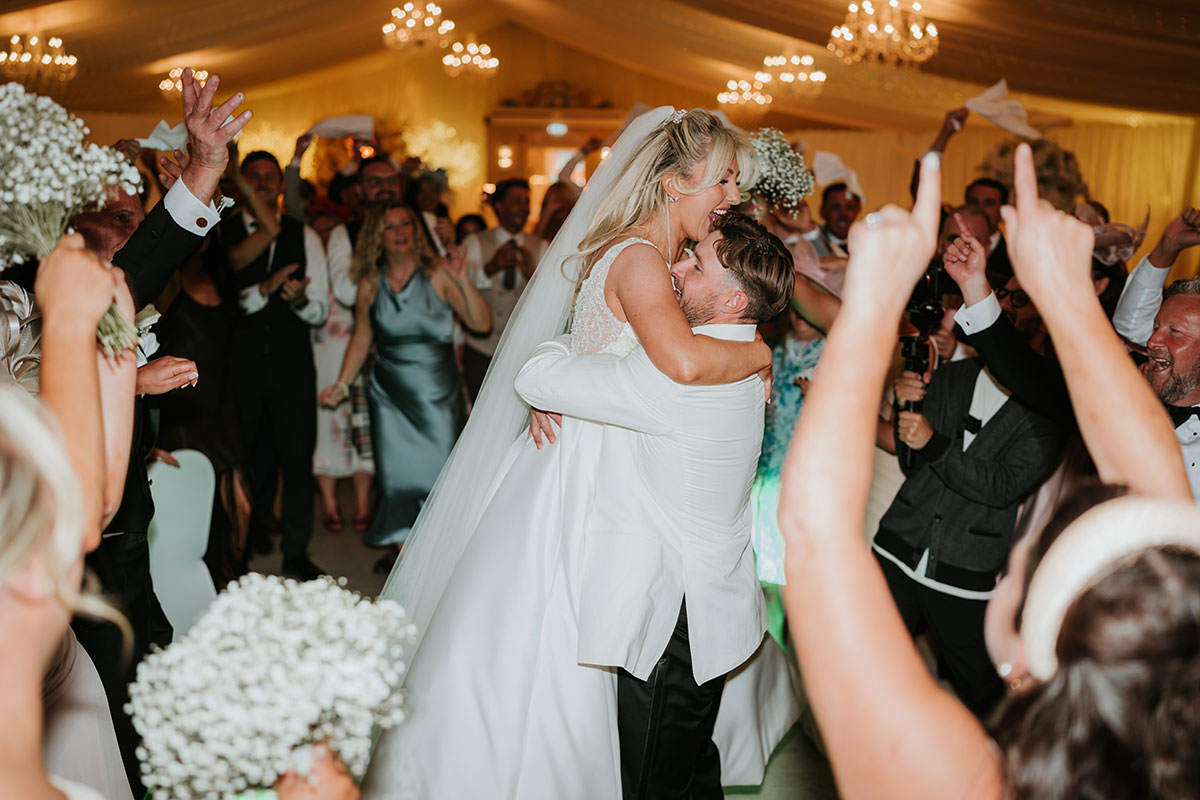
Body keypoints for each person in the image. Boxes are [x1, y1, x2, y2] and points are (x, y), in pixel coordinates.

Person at [365, 109, 796, 798]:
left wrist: (560, 373)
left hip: (606, 444)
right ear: (671, 183)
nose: (734, 198)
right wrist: (755, 350)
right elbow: (678, 361)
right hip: (595, 466)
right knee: (567, 650)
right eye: (723, 181)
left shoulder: (633, 254)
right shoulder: (645, 262)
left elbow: (605, 354)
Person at [779, 144, 1200, 799]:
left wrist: (873, 300)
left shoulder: (966, 780)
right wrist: (1060, 294)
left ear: (1017, 647)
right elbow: (1161, 489)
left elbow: (811, 528)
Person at [319, 203, 489, 572]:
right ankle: (408, 566)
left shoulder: (438, 273)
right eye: (390, 226)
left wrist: (461, 279)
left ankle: (444, 566)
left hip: (437, 396)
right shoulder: (370, 282)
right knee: (397, 483)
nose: (400, 231)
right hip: (389, 397)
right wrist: (342, 384)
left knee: (439, 480)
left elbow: (481, 323)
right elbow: (363, 337)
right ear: (376, 238)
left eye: (406, 224)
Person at [224, 150, 330, 580]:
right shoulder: (223, 232)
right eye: (257, 176)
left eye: (272, 176)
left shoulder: (304, 237)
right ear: (242, 182)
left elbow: (320, 310)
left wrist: (300, 301)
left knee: (297, 456)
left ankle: (296, 551)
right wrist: (263, 290)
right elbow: (222, 304)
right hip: (239, 363)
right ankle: (234, 549)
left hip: (291, 363)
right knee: (238, 457)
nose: (266, 183)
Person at [459, 178, 549, 401]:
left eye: (527, 202)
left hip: (522, 350)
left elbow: (550, 299)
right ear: (499, 206)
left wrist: (532, 276)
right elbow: (461, 287)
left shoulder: (541, 246)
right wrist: (492, 267)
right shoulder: (474, 242)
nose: (524, 208)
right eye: (517, 201)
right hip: (480, 349)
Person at [804, 181, 861, 257]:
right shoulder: (808, 241)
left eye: (849, 207)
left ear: (858, 210)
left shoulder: (868, 242)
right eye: (836, 207)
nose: (843, 215)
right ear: (822, 211)